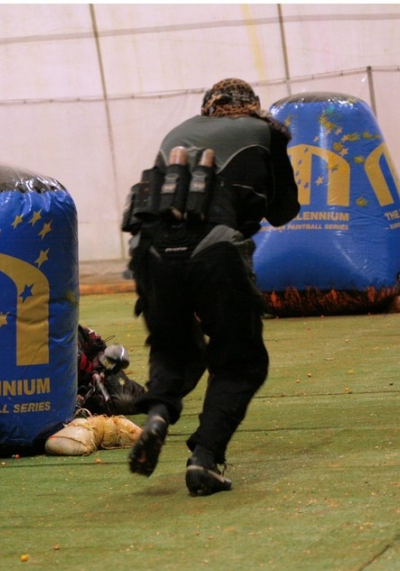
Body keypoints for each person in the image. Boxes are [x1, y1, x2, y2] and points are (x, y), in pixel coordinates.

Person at [122, 77, 300, 496]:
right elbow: (283, 211)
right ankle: (205, 458)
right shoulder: (265, 131)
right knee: (240, 361)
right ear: (251, 105)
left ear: (208, 107)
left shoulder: (177, 132)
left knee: (174, 346)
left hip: (150, 251)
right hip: (214, 247)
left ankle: (159, 412)